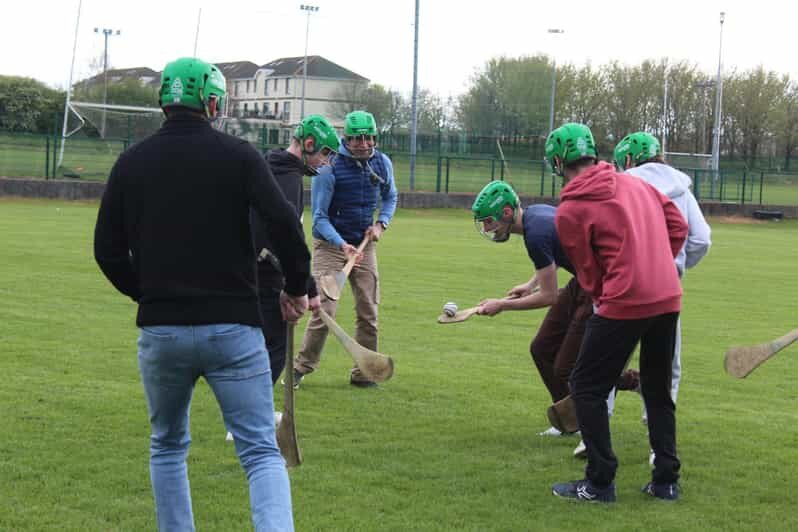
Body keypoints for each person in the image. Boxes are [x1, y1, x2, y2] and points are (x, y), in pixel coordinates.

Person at [94, 57, 310, 531]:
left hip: (161, 331)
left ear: (164, 101)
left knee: (167, 446)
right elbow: (284, 225)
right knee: (259, 451)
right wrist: (298, 288)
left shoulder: (131, 162)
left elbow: (106, 252)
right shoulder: (240, 156)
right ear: (213, 102)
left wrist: (149, 295)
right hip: (234, 327)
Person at [546, 123, 688, 503]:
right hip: (668, 296)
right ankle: (665, 482)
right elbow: (679, 226)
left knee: (586, 386)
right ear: (593, 153)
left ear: (558, 162)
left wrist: (610, 290)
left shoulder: (571, 209)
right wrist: (656, 261)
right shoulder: (638, 184)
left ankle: (599, 482)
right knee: (657, 391)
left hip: (624, 300)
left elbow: (588, 273)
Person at [471, 181, 638, 445]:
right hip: (581, 280)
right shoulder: (535, 215)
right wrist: (529, 285)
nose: (487, 228)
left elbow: (549, 297)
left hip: (599, 285)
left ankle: (635, 382)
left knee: (568, 367)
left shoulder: (534, 234)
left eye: (489, 221)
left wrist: (501, 305)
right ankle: (568, 419)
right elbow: (559, 253)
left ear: (505, 212)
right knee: (541, 348)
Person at [224, 114, 339, 442]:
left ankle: (248, 415)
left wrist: (310, 286)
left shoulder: (269, 167)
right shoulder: (287, 181)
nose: (325, 161)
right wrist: (296, 287)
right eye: (324, 154)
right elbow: (287, 237)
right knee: (271, 349)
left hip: (250, 272)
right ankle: (245, 422)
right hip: (267, 275)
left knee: (258, 347)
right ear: (308, 144)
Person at [614, 131, 712, 466]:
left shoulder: (624, 184)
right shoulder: (682, 188)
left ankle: (592, 434)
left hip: (628, 287)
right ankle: (660, 448)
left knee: (609, 359)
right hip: (667, 289)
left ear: (627, 160)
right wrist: (677, 267)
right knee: (666, 368)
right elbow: (701, 239)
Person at [292, 110, 398, 388]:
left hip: (364, 247)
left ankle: (364, 373)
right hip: (330, 246)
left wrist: (381, 225)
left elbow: (390, 197)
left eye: (368, 138)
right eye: (356, 139)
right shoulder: (328, 167)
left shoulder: (382, 163)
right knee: (324, 311)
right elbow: (319, 218)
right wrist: (342, 245)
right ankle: (299, 368)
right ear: (346, 139)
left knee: (368, 311)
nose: (363, 144)